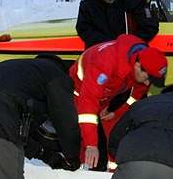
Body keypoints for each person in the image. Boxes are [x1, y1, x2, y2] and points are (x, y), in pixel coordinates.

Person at [70, 33, 167, 170]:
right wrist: (91, 144)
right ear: (137, 66)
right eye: (148, 78)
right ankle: (84, 171)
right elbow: (88, 102)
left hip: (106, 97)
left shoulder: (143, 59)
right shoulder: (105, 63)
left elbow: (136, 94)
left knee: (116, 134)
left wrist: (117, 112)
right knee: (85, 138)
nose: (147, 83)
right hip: (81, 93)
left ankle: (115, 171)